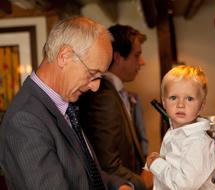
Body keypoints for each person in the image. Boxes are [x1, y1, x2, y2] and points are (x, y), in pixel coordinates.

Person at [0, 16, 132, 190]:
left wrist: (120, 185)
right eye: (92, 74)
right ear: (64, 56)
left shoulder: (61, 103)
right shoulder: (25, 120)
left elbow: (85, 174)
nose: (95, 87)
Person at [77, 24, 152, 190]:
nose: (142, 62)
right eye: (137, 55)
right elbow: (108, 165)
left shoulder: (116, 91)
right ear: (117, 57)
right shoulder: (103, 96)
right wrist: (144, 182)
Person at [145, 65, 215, 190]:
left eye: (189, 98)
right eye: (173, 98)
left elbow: (183, 185)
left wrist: (156, 164)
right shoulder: (174, 132)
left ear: (202, 105)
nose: (180, 105)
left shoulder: (197, 142)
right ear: (164, 102)